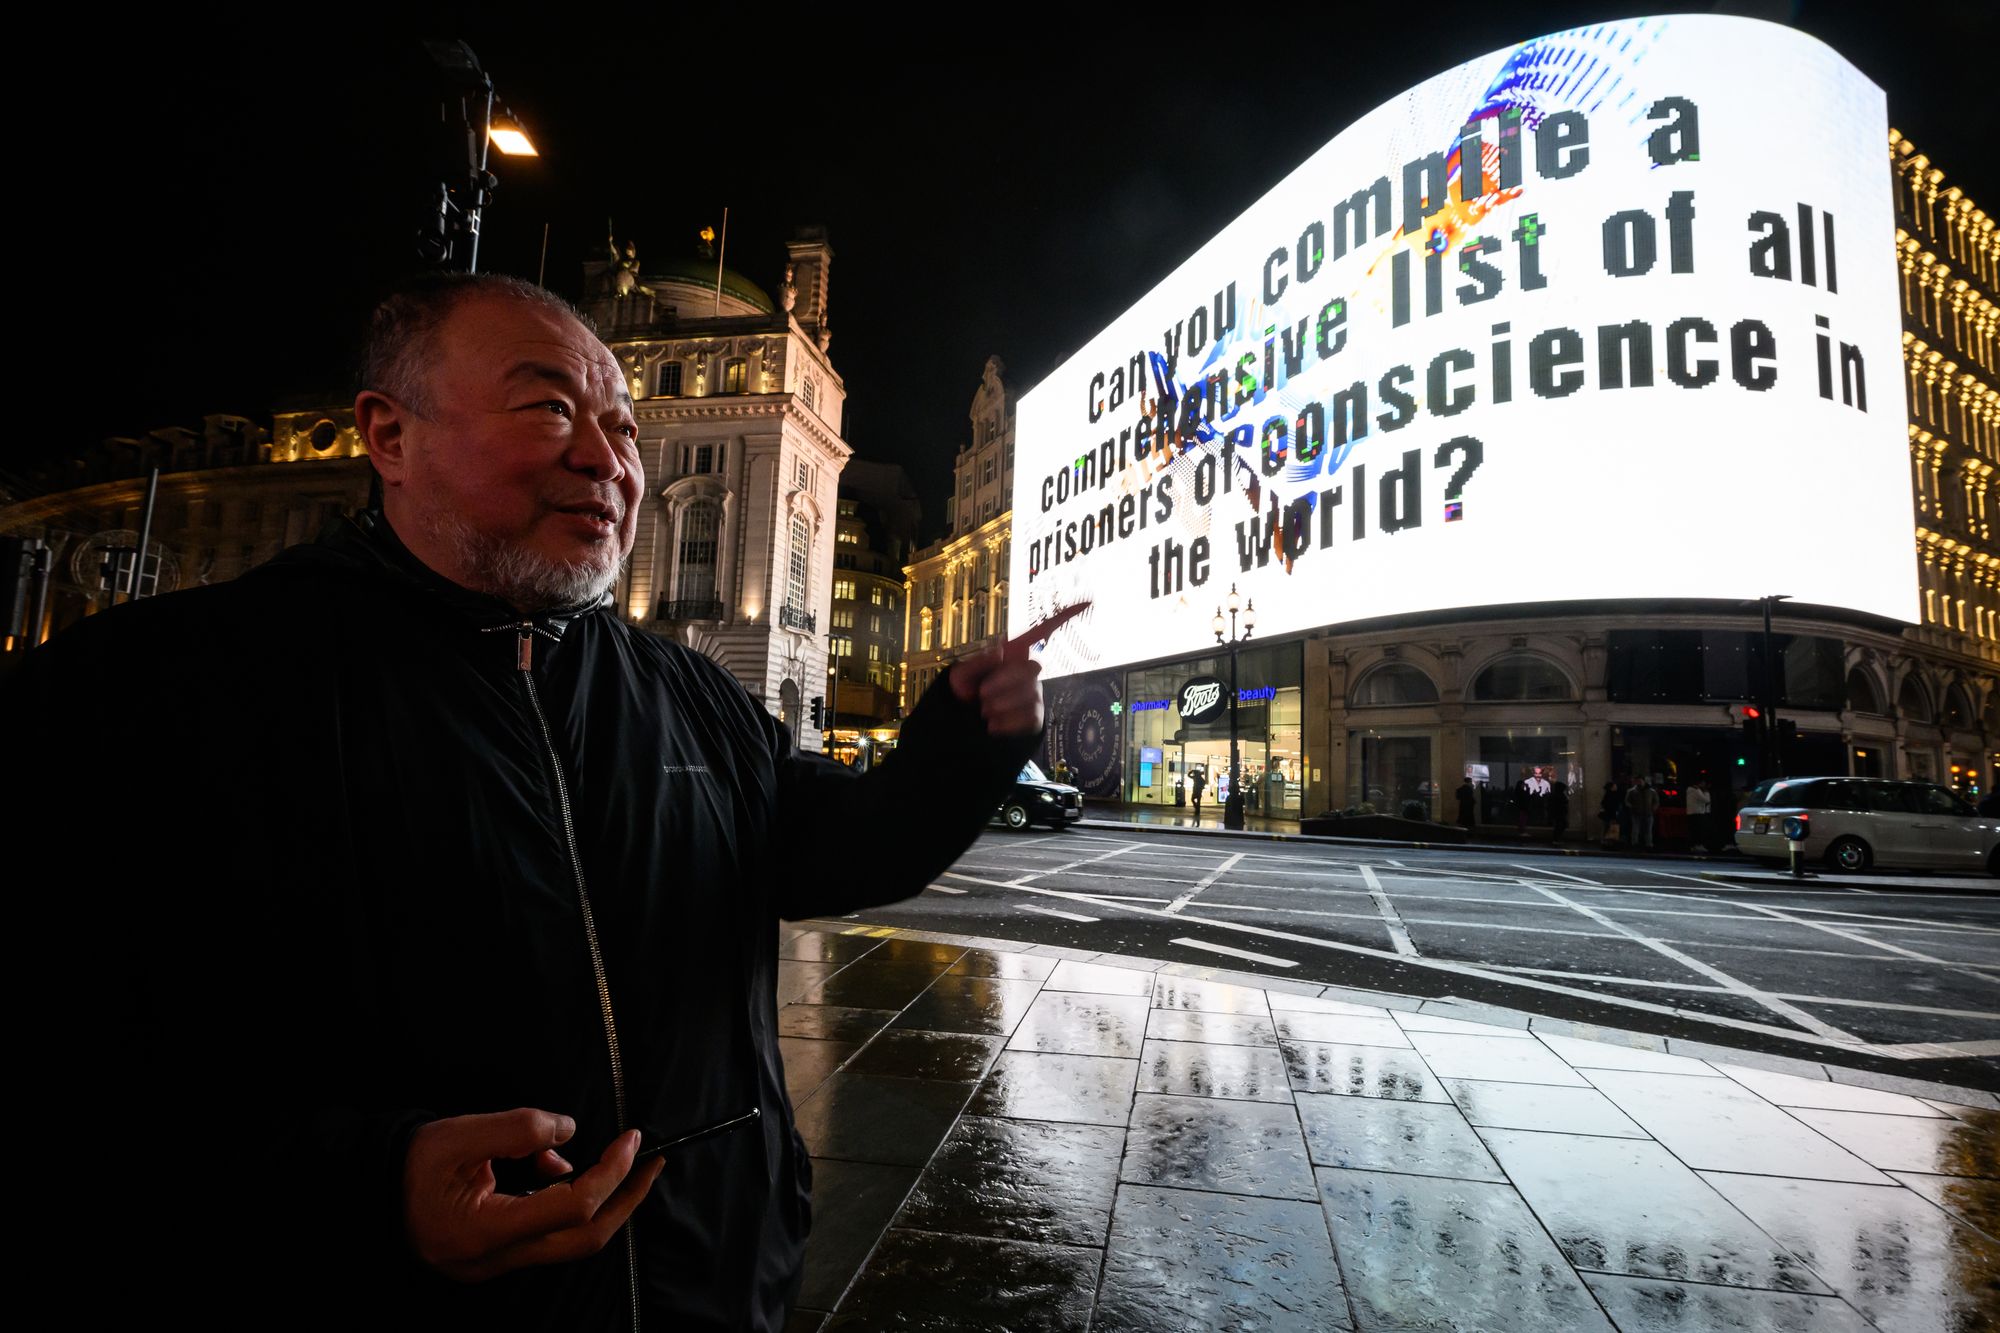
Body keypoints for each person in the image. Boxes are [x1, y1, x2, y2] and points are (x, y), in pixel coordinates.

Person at [3, 274, 1045, 1330]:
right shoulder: (168, 693)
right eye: (548, 408)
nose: (607, 460)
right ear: (389, 434)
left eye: (625, 427)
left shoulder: (684, 692)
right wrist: (368, 1185)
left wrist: (961, 742)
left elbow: (830, 848)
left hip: (706, 1290)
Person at [1627, 777, 1660, 850]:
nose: (1639, 783)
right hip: (1636, 813)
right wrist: (1632, 807)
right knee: (1635, 829)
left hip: (1648, 813)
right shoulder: (1632, 791)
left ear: (1644, 781)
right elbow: (1627, 801)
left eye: (1640, 781)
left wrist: (1654, 807)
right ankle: (1635, 843)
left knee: (1648, 830)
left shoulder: (1651, 791)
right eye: (1637, 781)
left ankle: (1649, 844)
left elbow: (1656, 801)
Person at [1686, 777, 1713, 851]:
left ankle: (1693, 845)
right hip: (1698, 813)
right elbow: (1706, 800)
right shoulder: (1696, 790)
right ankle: (1699, 845)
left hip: (1691, 813)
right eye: (1703, 783)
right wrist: (1706, 792)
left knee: (1693, 830)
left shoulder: (1689, 790)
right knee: (1699, 830)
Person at [1547, 779, 1569, 844]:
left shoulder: (1554, 794)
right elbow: (1564, 802)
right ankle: (1556, 839)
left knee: (1559, 825)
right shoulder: (1560, 795)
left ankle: (1556, 839)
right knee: (1561, 825)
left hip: (1557, 812)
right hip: (1560, 812)